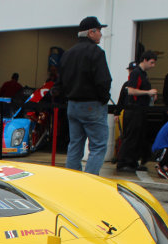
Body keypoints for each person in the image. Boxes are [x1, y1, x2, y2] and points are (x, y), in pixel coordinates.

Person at [54, 16, 112, 175]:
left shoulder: (68, 53)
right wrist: (103, 98)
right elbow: (104, 80)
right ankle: (90, 181)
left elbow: (60, 82)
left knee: (75, 144)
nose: (101, 34)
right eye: (99, 31)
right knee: (98, 145)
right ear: (91, 32)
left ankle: (73, 180)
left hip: (72, 105)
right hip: (92, 104)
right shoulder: (96, 52)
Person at [116, 51, 158, 172]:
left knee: (138, 137)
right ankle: (123, 162)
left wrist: (150, 95)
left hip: (141, 110)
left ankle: (132, 161)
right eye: (152, 62)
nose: (153, 65)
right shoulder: (136, 73)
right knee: (130, 137)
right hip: (133, 110)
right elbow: (131, 91)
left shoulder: (143, 74)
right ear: (144, 60)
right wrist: (147, 93)